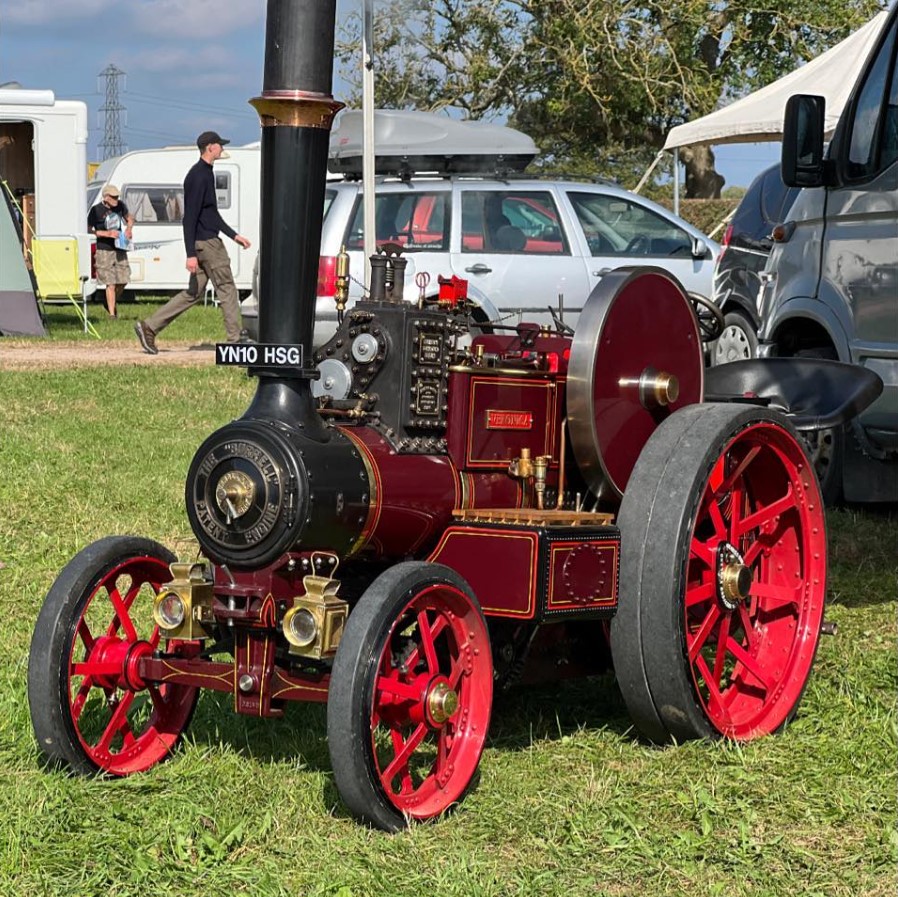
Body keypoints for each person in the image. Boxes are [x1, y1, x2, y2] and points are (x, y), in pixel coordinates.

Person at [134, 130, 251, 354]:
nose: (223, 148)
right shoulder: (199, 176)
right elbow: (190, 217)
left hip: (206, 241)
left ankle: (149, 327)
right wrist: (190, 253)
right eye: (220, 145)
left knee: (193, 293)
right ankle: (235, 340)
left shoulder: (205, 173)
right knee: (226, 288)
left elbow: (211, 213)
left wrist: (234, 236)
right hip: (207, 244)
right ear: (210, 147)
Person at [88, 184, 133, 317]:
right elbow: (89, 229)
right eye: (113, 197)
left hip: (120, 247)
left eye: (117, 196)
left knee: (124, 279)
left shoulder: (120, 206)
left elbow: (129, 218)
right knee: (110, 283)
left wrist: (129, 229)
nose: (116, 199)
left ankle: (109, 303)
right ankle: (112, 315)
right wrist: (106, 234)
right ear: (106, 197)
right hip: (104, 250)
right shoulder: (96, 210)